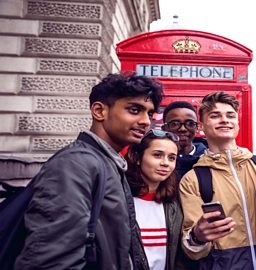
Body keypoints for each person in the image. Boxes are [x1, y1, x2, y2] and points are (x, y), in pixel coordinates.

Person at [16, 72, 163, 269]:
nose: (146, 121)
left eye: (149, 113)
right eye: (134, 110)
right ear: (99, 111)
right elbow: (52, 260)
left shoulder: (108, 162)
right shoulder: (75, 165)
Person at [179, 91, 256, 269]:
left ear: (237, 124)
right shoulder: (192, 179)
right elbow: (192, 248)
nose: (224, 120)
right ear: (201, 126)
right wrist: (197, 236)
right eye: (215, 115)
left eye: (230, 115)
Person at [126, 129, 188, 270]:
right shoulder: (120, 198)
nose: (165, 163)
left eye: (171, 158)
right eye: (157, 155)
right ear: (136, 157)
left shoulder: (174, 202)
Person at [162, 101, 208, 179]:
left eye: (190, 123)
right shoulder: (157, 161)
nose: (182, 129)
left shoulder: (209, 159)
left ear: (197, 127)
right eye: (175, 124)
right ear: (164, 129)